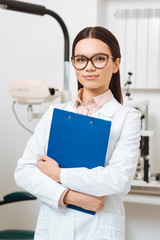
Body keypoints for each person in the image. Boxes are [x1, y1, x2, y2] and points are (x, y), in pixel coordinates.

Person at [14, 26, 141, 240]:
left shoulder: (127, 117)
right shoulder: (56, 112)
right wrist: (69, 197)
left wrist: (58, 174)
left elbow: (119, 179)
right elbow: (24, 171)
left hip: (99, 228)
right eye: (81, 59)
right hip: (53, 225)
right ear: (74, 64)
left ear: (116, 64)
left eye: (99, 58)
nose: (88, 67)